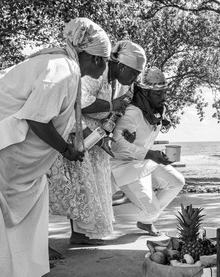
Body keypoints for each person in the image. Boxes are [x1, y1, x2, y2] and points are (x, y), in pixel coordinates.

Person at [0, 18, 111, 277]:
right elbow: (37, 118)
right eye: (105, 60)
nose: (105, 68)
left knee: (33, 201)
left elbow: (56, 118)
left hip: (15, 153)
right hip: (3, 145)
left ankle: (23, 269)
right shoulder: (63, 70)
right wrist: (66, 151)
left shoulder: (66, 68)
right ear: (94, 59)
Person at [48, 40, 147, 244]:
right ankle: (80, 234)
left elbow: (113, 112)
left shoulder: (119, 83)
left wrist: (118, 131)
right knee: (82, 186)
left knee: (94, 185)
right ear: (120, 65)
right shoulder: (96, 73)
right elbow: (79, 103)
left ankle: (88, 232)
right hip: (79, 131)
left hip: (97, 137)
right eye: (134, 72)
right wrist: (111, 106)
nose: (135, 78)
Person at [111, 67, 185, 236]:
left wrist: (156, 156)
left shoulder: (155, 111)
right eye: (158, 94)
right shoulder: (133, 113)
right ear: (145, 92)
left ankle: (146, 222)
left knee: (177, 181)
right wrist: (151, 154)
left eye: (164, 92)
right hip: (125, 167)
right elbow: (115, 145)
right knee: (151, 211)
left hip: (142, 164)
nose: (163, 97)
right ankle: (102, 212)